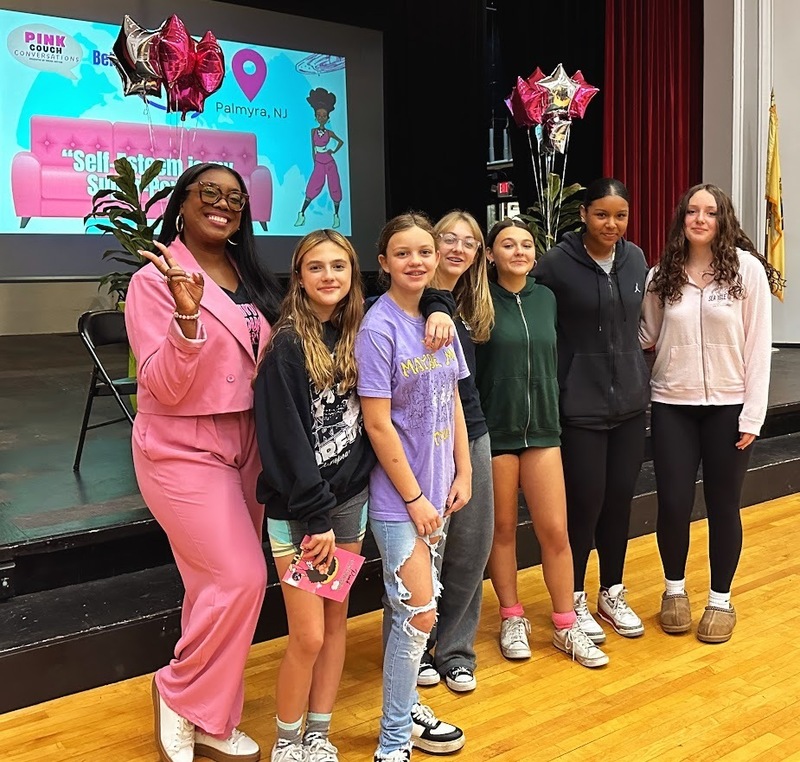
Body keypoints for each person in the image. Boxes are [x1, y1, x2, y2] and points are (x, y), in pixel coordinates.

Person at [126, 162, 283, 762]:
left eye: (235, 198)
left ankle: (211, 714)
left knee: (210, 587)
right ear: (182, 202)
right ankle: (178, 691)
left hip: (250, 442)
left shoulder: (252, 275)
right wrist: (187, 319)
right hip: (182, 445)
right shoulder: (154, 281)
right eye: (209, 193)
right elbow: (163, 387)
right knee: (240, 577)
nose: (222, 204)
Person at [640, 183, 782, 644]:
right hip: (672, 406)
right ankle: (674, 592)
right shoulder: (662, 274)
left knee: (723, 506)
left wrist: (752, 415)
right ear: (681, 218)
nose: (700, 219)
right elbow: (647, 334)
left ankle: (720, 599)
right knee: (673, 504)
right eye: (692, 211)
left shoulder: (746, 270)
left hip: (729, 407)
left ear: (724, 220)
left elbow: (758, 346)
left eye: (711, 212)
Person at [254, 229, 374, 762]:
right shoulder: (286, 344)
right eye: (316, 267)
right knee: (307, 636)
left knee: (334, 624)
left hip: (348, 503)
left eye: (339, 266)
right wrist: (316, 517)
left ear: (353, 274)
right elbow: (285, 439)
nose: (329, 276)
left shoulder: (355, 334)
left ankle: (319, 734)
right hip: (305, 512)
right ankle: (287, 741)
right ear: (299, 277)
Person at [356, 213, 471, 761]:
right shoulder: (377, 329)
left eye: (424, 251)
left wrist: (463, 471)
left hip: (439, 491)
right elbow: (378, 424)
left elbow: (453, 398)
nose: (416, 261)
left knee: (412, 613)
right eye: (402, 253)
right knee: (419, 613)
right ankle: (393, 742)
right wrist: (415, 499)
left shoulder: (437, 319)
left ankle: (406, 711)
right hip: (401, 499)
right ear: (384, 262)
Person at [475, 218, 608, 669]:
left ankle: (566, 625)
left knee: (555, 531)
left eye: (526, 245)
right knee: (503, 531)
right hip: (497, 432)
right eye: (507, 244)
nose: (519, 251)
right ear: (489, 255)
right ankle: (512, 617)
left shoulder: (547, 298)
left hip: (544, 431)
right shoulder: (479, 301)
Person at [534, 178, 649, 645]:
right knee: (585, 504)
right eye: (602, 214)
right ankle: (575, 595)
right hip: (579, 407)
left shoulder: (635, 258)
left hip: (629, 406)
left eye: (620, 216)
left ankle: (612, 592)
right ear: (583, 214)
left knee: (619, 501)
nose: (611, 224)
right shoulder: (556, 264)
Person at [416, 210, 495, 693]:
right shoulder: (417, 298)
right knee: (428, 550)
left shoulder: (468, 306)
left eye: (469, 242)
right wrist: (436, 306)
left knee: (470, 548)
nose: (458, 249)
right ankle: (417, 648)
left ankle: (456, 651)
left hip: (473, 433)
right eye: (449, 238)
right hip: (424, 439)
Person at [295, 88, 345, 230]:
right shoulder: (313, 131)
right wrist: (315, 160)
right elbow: (312, 148)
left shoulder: (329, 133)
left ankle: (336, 216)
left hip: (329, 161)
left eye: (324, 115)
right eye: (319, 115)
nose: (321, 118)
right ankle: (301, 214)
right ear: (315, 116)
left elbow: (340, 142)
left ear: (328, 118)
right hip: (319, 161)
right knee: (313, 186)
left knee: (335, 187)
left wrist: (332, 151)